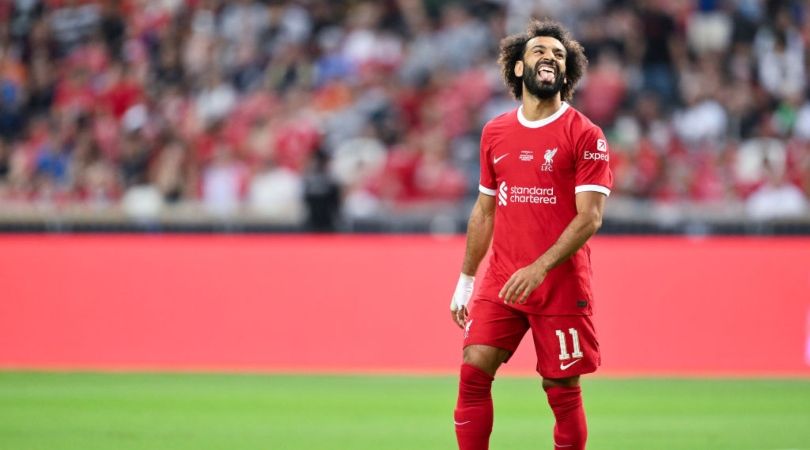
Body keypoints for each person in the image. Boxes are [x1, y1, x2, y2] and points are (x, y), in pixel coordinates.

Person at [449, 20, 612, 450]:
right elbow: (484, 212)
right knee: (473, 370)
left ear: (567, 71)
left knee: (561, 389)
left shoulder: (586, 135)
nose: (550, 58)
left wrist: (539, 268)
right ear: (519, 68)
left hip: (558, 283)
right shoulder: (495, 132)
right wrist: (466, 281)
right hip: (502, 278)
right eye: (540, 51)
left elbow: (590, 218)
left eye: (559, 55)